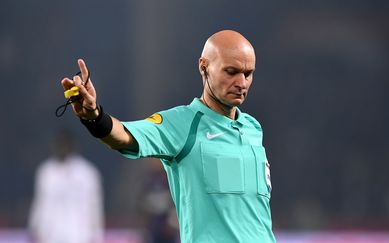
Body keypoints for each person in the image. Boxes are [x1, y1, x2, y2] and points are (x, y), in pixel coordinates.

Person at [61, 30, 275, 243]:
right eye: (231, 71)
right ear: (204, 66)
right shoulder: (182, 124)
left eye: (248, 73)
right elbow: (123, 136)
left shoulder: (252, 128)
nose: (242, 83)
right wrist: (94, 116)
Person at [28, 129, 104, 243]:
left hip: (79, 235)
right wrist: (34, 228)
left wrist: (97, 235)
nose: (63, 148)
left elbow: (94, 205)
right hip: (51, 235)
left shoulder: (86, 173)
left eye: (66, 145)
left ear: (73, 146)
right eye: (60, 145)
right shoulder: (46, 171)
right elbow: (40, 203)